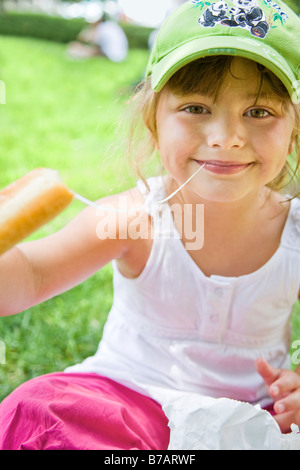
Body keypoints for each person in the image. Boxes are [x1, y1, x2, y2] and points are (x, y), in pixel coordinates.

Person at [1, 0, 300, 450]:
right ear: (154, 120)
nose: (225, 137)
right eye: (197, 108)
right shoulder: (135, 217)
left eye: (259, 112)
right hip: (129, 401)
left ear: (294, 129)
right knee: (37, 408)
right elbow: (33, 274)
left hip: (250, 419)